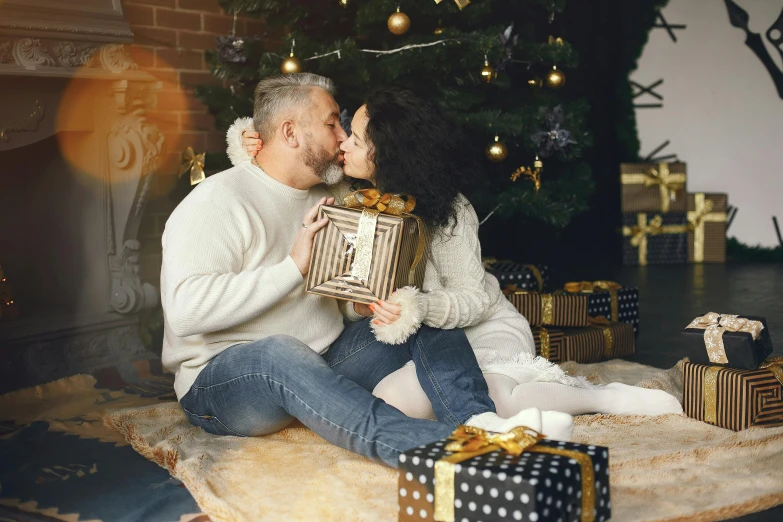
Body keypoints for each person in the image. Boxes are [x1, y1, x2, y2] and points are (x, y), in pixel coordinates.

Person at [161, 73, 572, 470]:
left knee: (417, 311)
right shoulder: (215, 203)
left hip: (325, 360)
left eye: (346, 129)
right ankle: (452, 453)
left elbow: (390, 168)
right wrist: (293, 268)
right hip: (223, 384)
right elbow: (185, 313)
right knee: (279, 350)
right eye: (330, 125)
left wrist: (366, 307)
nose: (342, 138)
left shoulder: (336, 193)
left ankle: (480, 422)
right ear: (290, 134)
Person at [227, 85, 684, 419]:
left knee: (494, 399)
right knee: (393, 406)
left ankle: (607, 399)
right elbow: (291, 166)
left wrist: (419, 306)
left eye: (356, 138)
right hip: (413, 346)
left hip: (480, 327)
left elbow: (477, 298)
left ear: (389, 154)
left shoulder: (448, 211)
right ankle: (519, 415)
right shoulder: (350, 192)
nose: (342, 140)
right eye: (344, 130)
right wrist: (254, 144)